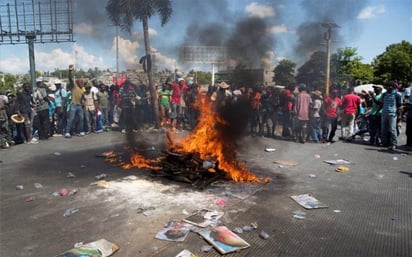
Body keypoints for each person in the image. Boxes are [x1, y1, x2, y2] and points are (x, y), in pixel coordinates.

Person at [379, 81, 402, 150]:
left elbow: (399, 105)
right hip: (384, 113)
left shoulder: (397, 94)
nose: (387, 87)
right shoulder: (384, 94)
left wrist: (400, 115)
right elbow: (381, 104)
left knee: (392, 129)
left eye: (388, 86)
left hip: (393, 114)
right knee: (383, 129)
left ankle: (394, 144)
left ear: (392, 86)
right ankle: (384, 142)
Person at [65, 65, 86, 138]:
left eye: (82, 82)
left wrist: (84, 102)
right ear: (77, 83)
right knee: (71, 119)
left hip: (79, 105)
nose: (82, 83)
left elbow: (83, 98)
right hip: (73, 105)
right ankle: (67, 132)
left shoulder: (82, 90)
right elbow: (70, 78)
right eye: (81, 82)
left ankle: (80, 131)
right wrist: (70, 71)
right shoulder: (74, 87)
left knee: (81, 119)